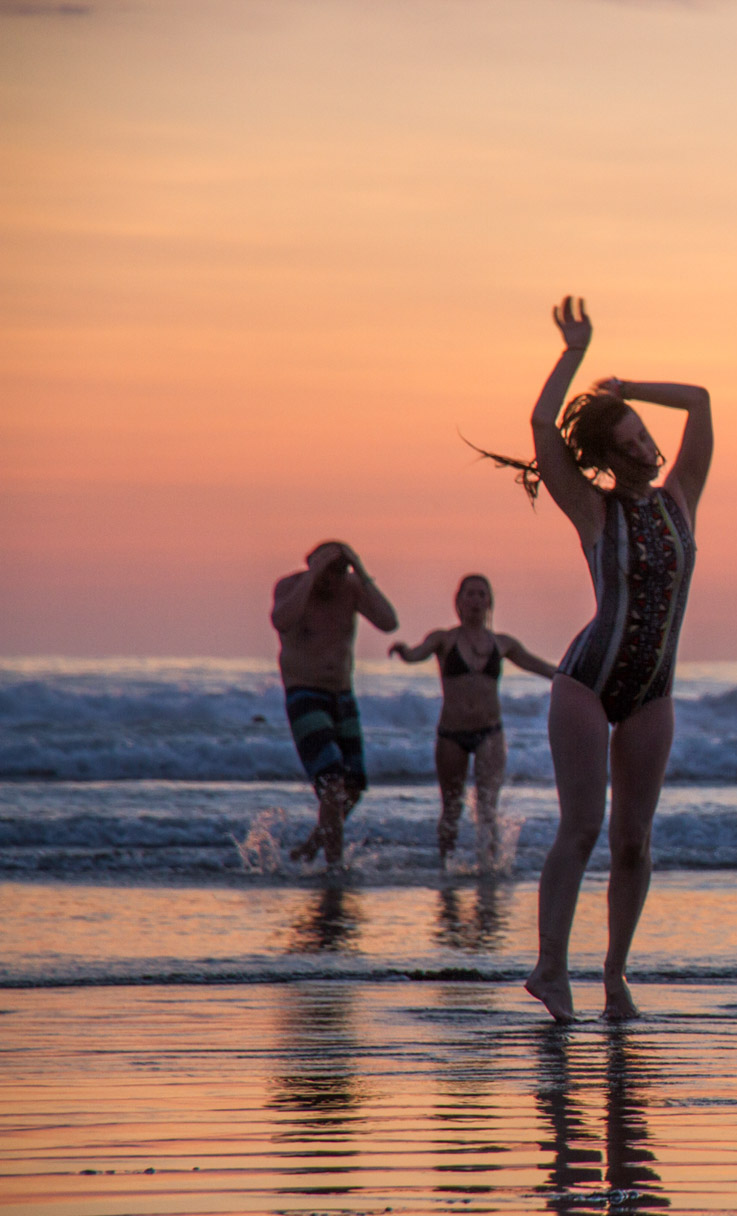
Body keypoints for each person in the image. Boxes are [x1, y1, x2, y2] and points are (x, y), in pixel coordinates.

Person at [478, 296, 713, 1023]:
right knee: (581, 827)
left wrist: (627, 388)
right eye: (634, 440)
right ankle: (550, 968)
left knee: (634, 843)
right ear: (609, 459)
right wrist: (573, 354)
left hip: (652, 690)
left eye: (646, 435)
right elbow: (543, 426)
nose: (648, 446)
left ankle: (614, 976)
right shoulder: (592, 508)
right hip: (586, 681)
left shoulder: (683, 495)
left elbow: (700, 401)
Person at [388, 575, 557, 871]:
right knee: (452, 808)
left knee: (487, 809)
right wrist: (404, 652)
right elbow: (417, 653)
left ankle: (488, 868)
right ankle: (446, 866)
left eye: (482, 595)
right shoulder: (444, 639)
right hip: (451, 734)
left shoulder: (502, 644)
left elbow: (540, 666)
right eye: (470, 594)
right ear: (458, 602)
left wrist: (573, 676)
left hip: (490, 732)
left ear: (490, 602)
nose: (476, 600)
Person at [270, 540, 398, 865]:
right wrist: (312, 575)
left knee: (353, 786)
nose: (333, 580)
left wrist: (361, 570)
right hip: (305, 693)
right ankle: (334, 868)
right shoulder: (292, 587)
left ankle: (312, 847)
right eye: (328, 572)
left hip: (342, 695)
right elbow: (281, 620)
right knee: (332, 784)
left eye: (340, 572)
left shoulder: (351, 588)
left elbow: (388, 622)